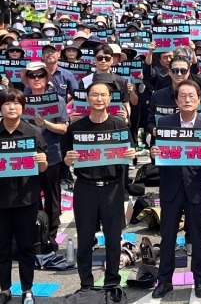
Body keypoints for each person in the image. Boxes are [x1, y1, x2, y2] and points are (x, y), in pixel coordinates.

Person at [62, 74, 136, 289]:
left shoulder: (119, 125)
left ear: (110, 98)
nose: (99, 99)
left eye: (104, 95)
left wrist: (131, 153)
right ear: (87, 98)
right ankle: (86, 284)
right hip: (85, 187)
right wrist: (68, 159)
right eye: (94, 95)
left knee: (113, 240)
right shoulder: (76, 127)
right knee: (85, 239)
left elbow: (129, 155)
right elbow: (66, 158)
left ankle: (112, 282)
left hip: (112, 187)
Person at [150, 80, 201, 299]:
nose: (187, 100)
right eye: (182, 96)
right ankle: (164, 281)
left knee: (198, 237)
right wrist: (154, 152)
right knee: (167, 236)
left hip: (195, 187)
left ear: (199, 100)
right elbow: (158, 155)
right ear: (176, 100)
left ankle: (200, 280)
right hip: (170, 187)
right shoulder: (164, 123)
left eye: (191, 96)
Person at [0, 88, 48, 304]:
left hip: (26, 199)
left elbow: (43, 167)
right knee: (2, 247)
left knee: (25, 246)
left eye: (17, 103)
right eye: (7, 103)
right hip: (1, 200)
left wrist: (41, 161)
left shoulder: (32, 132)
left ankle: (27, 289)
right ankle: (5, 289)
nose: (12, 107)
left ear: (23, 107)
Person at [22, 61, 69, 250]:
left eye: (40, 75)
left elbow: (64, 128)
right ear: (27, 80)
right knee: (30, 196)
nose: (36, 79)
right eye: (32, 76)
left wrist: (46, 124)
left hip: (51, 155)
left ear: (46, 78)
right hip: (26, 156)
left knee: (52, 196)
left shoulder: (57, 100)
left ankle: (51, 234)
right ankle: (36, 232)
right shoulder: (20, 101)